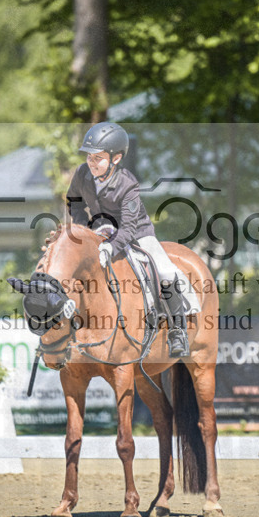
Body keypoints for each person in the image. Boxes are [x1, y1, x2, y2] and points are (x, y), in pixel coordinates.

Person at [66, 121, 193, 357]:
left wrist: (110, 248)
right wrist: (82, 230)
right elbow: (74, 201)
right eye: (89, 157)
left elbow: (128, 228)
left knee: (166, 272)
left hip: (137, 234)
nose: (92, 163)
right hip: (99, 230)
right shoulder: (82, 174)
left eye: (98, 158)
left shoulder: (128, 184)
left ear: (115, 158)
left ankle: (178, 331)